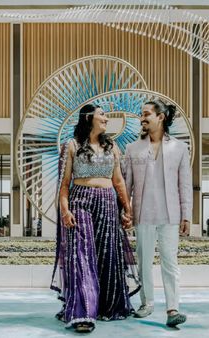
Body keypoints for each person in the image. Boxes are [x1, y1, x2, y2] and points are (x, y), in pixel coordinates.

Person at [51, 104, 139, 333]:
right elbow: (63, 184)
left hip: (108, 203)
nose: (106, 119)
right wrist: (65, 210)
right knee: (81, 255)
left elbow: (119, 181)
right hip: (80, 202)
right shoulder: (71, 145)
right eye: (102, 114)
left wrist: (127, 210)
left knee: (107, 254)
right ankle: (83, 312)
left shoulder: (112, 146)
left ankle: (105, 307)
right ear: (89, 117)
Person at [125, 98, 193, 328]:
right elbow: (127, 185)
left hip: (171, 215)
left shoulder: (180, 148)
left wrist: (186, 215)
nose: (142, 118)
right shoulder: (132, 148)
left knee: (170, 262)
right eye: (141, 115)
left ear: (160, 117)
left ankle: (172, 308)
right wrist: (125, 212)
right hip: (143, 213)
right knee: (144, 261)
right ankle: (147, 303)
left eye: (146, 114)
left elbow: (185, 184)